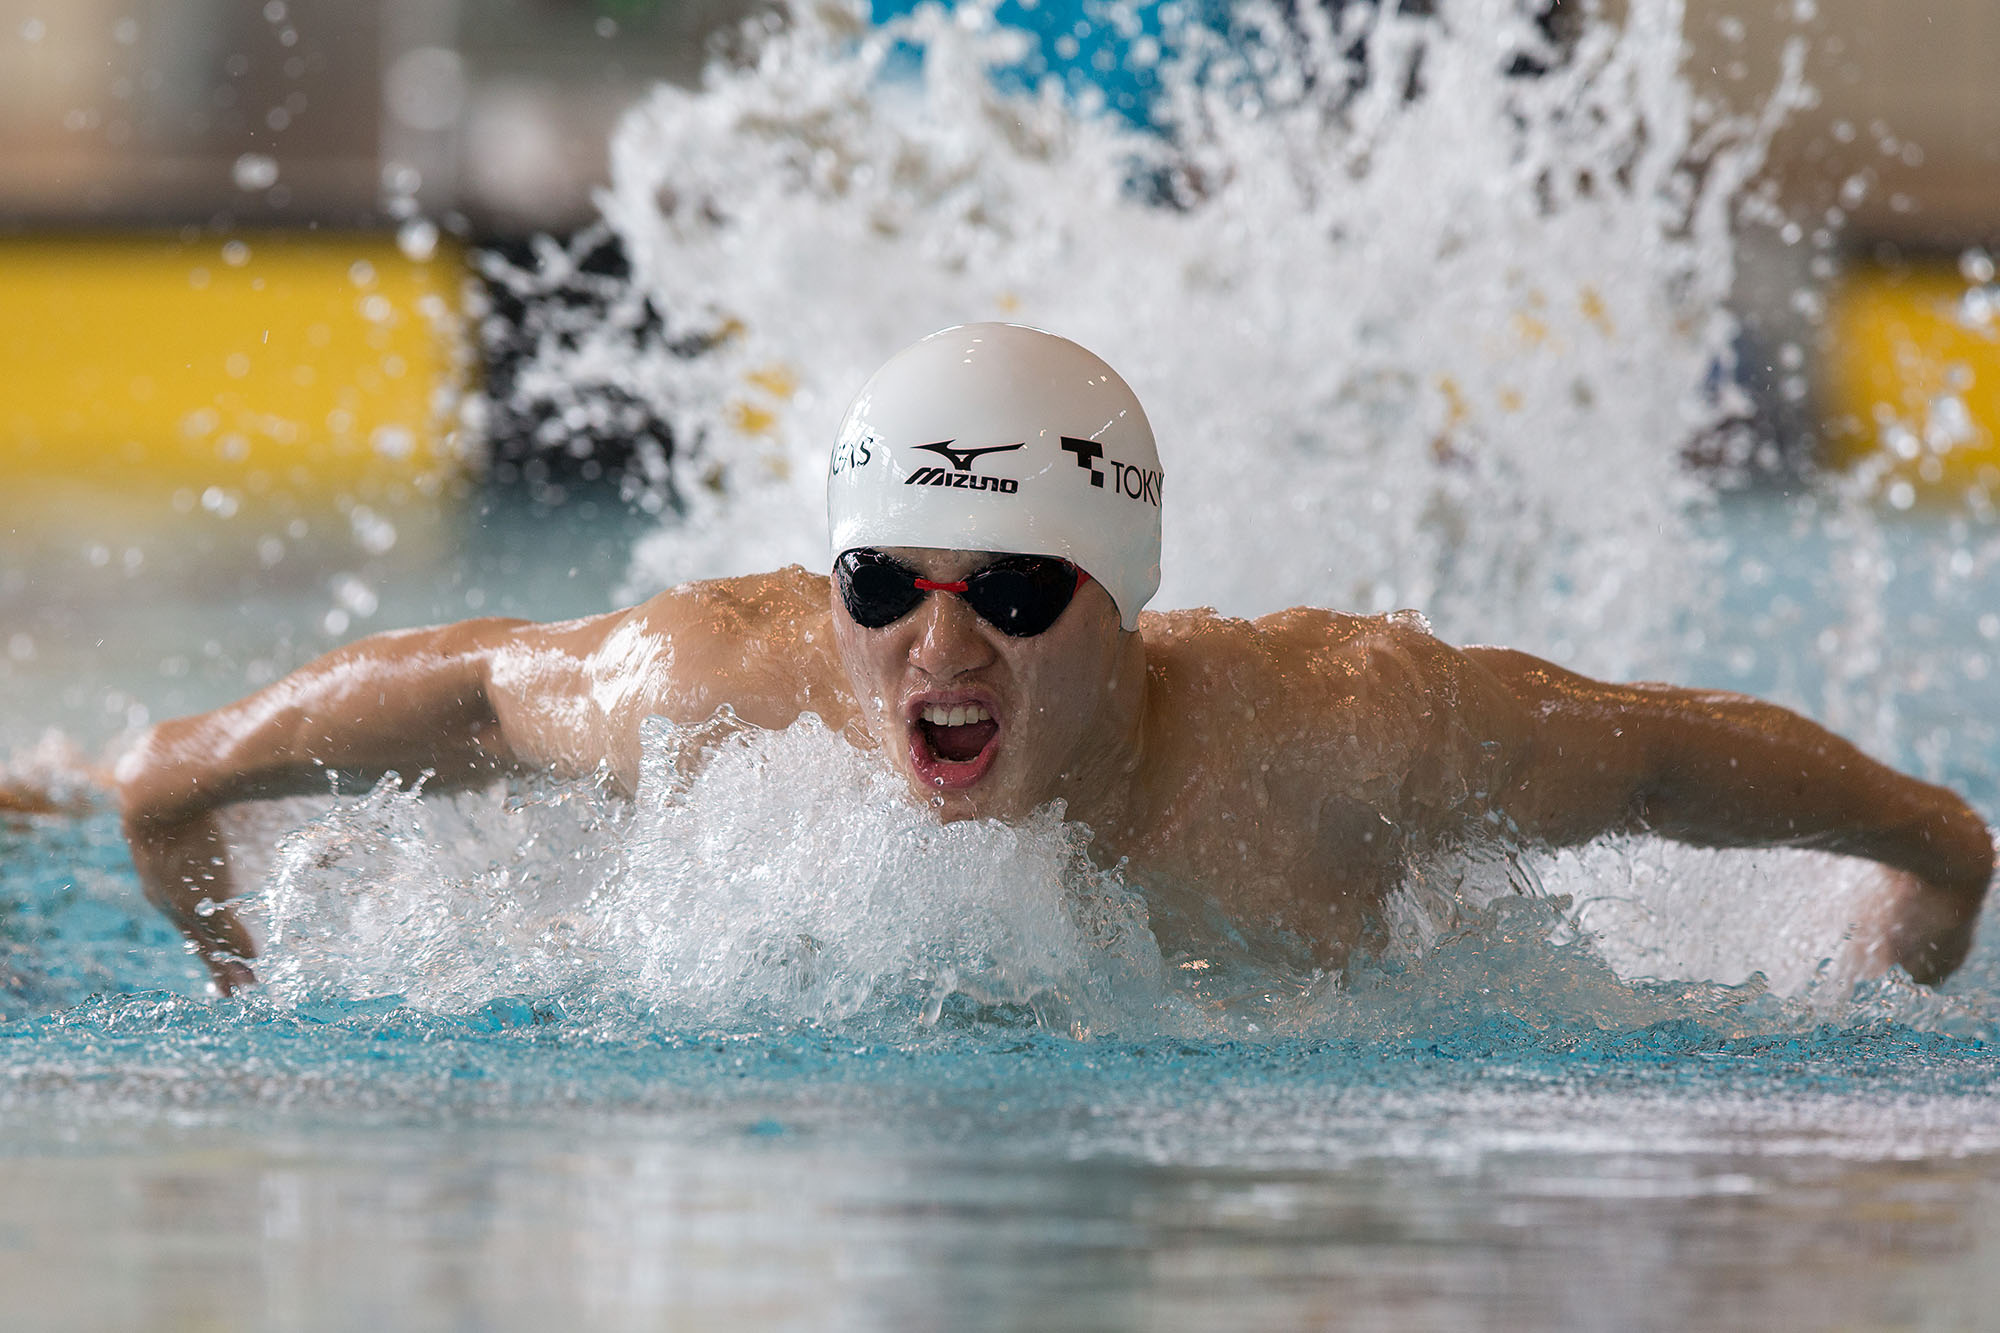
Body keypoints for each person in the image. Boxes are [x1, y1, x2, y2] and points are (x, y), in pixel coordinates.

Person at [116, 323, 1994, 995]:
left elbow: (1654, 760)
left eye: (1016, 590)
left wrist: (1928, 852)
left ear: (1125, 602)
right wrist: (181, 809)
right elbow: (469, 691)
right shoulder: (723, 690)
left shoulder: (1346, 733)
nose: (940, 641)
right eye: (889, 586)